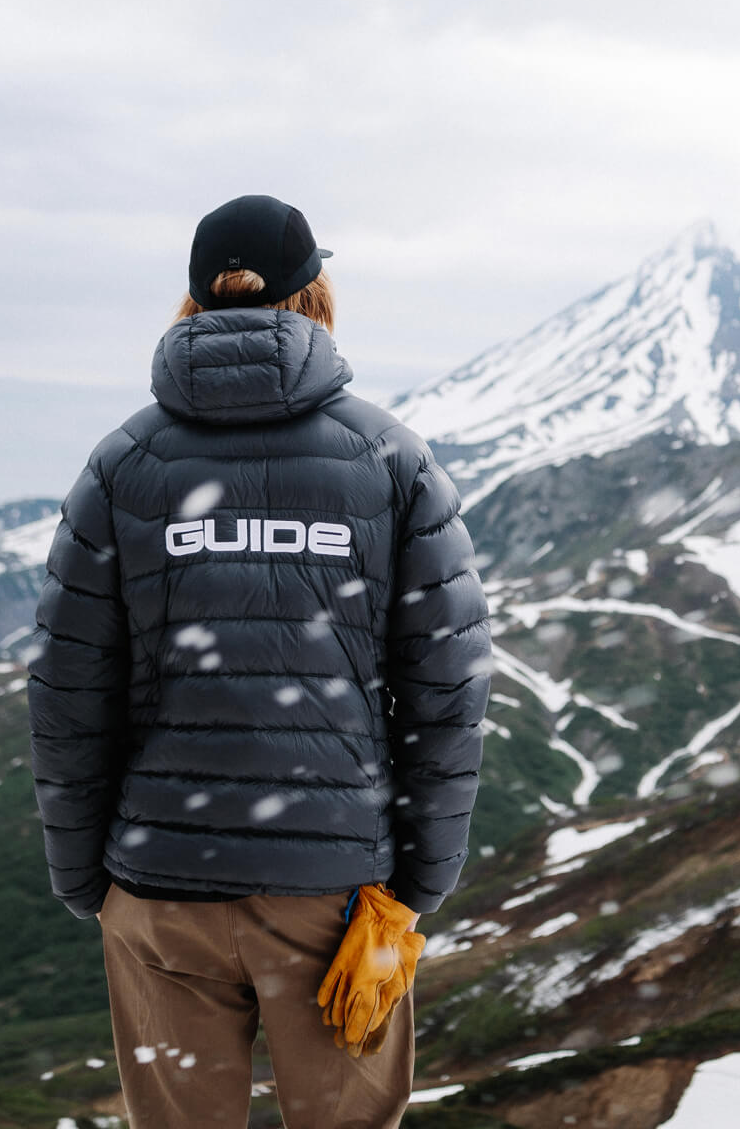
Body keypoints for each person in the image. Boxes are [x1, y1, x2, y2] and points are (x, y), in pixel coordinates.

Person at [25, 194, 491, 1129]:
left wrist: (85, 878)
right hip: (336, 892)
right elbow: (446, 688)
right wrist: (415, 888)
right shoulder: (390, 458)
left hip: (160, 886)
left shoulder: (123, 463)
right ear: (316, 295)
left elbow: (69, 690)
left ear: (194, 299)